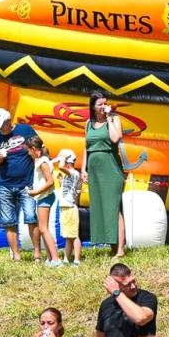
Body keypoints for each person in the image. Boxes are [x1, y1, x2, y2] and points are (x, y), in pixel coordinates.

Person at [0, 107, 38, 262]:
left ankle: (37, 253)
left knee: (31, 217)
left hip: (26, 183)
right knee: (8, 221)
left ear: (8, 121)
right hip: (5, 185)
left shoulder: (25, 130)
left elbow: (40, 148)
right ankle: (16, 255)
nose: (1, 129)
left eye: (2, 125)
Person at [84, 90, 126, 256]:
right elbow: (85, 147)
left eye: (105, 103)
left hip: (111, 168)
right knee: (101, 207)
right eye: (99, 104)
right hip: (94, 170)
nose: (103, 107)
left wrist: (109, 118)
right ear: (93, 106)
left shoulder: (114, 119)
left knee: (113, 207)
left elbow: (116, 138)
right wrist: (83, 169)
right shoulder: (88, 123)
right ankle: (112, 247)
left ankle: (120, 249)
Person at [24, 137, 62, 265]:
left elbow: (50, 181)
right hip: (43, 197)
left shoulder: (43, 162)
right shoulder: (42, 160)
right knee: (42, 228)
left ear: (34, 149)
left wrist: (36, 192)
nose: (28, 153)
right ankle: (50, 258)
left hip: (44, 197)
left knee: (43, 228)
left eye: (29, 151)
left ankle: (56, 259)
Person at [52, 150, 83, 265]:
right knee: (68, 236)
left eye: (63, 161)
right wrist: (61, 182)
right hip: (65, 207)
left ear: (67, 161)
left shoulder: (73, 172)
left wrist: (63, 157)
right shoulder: (69, 174)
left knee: (74, 236)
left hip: (70, 208)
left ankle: (77, 260)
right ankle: (66, 258)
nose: (62, 163)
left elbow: (60, 166)